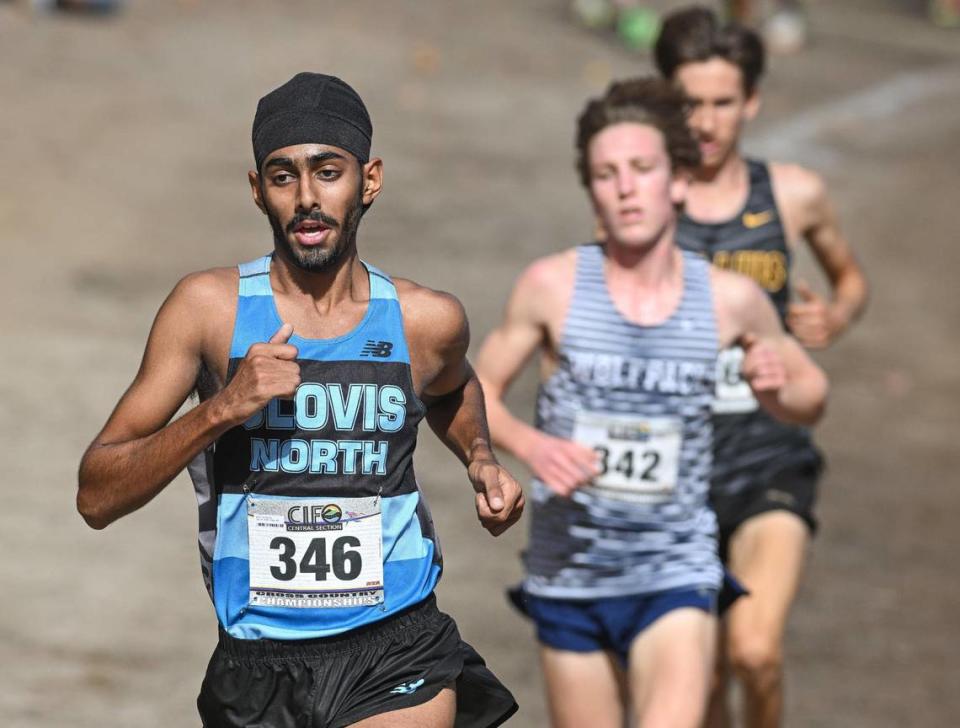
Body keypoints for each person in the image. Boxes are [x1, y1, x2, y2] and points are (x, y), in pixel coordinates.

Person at [76, 72, 523, 728]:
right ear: (258, 191)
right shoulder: (210, 311)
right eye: (284, 176)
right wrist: (223, 407)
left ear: (368, 180)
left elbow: (453, 387)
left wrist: (480, 456)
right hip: (257, 660)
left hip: (397, 641)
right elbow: (96, 495)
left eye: (327, 171)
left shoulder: (425, 320)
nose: (308, 197)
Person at [474, 77, 827, 728]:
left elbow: (812, 396)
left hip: (675, 569)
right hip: (570, 574)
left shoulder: (728, 299)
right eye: (607, 174)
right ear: (591, 191)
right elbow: (472, 392)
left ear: (679, 182)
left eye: (642, 168)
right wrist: (529, 446)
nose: (627, 187)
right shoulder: (552, 287)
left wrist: (781, 388)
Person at [654, 8, 869, 728]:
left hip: (771, 452)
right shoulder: (640, 202)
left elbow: (849, 279)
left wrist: (833, 317)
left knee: (755, 651)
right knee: (704, 683)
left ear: (751, 102)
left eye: (723, 102)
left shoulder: (793, 193)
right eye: (690, 103)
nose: (707, 122)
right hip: (674, 470)